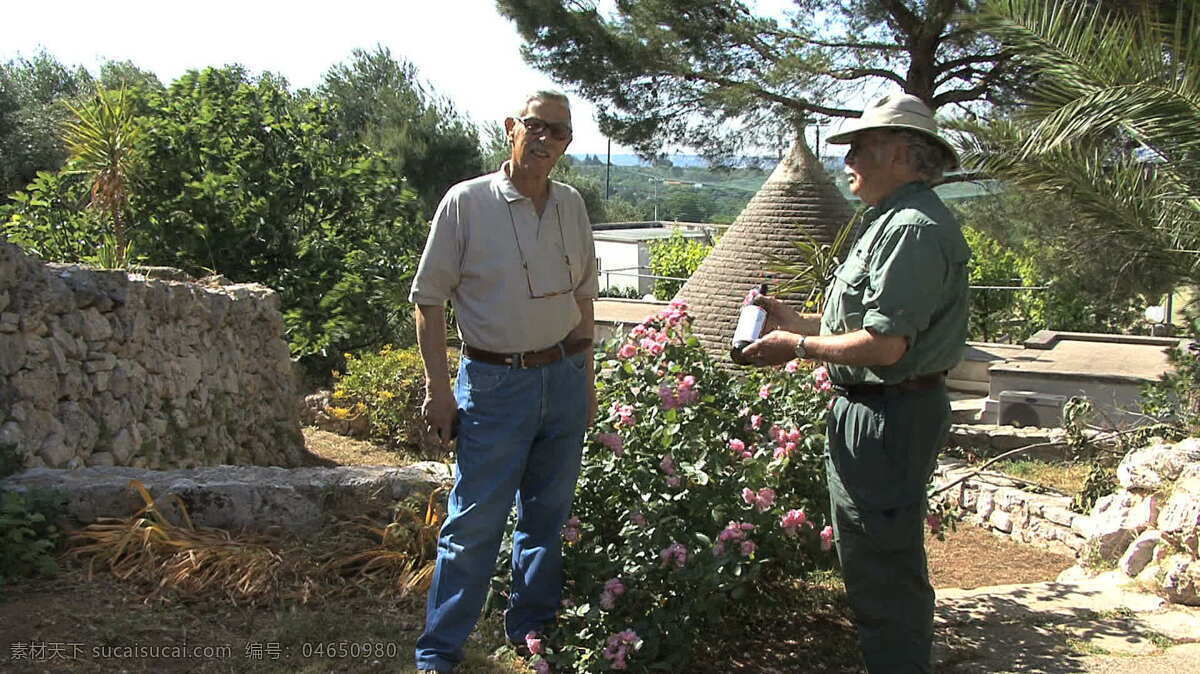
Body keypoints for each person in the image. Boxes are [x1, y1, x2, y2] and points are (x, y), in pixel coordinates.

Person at [743, 93, 970, 673]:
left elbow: (886, 346)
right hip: (873, 411)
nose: (848, 160)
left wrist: (794, 348)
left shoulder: (911, 230)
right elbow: (861, 326)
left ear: (900, 153)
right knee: (870, 561)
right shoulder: (888, 222)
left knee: (885, 566)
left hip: (889, 414)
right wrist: (794, 321)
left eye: (860, 149)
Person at [409, 89, 598, 673]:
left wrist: (586, 381)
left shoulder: (570, 205)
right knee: (475, 524)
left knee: (547, 516)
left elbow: (585, 300)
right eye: (537, 126)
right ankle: (439, 651)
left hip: (563, 378)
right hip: (496, 385)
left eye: (559, 132)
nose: (546, 140)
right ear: (512, 127)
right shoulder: (466, 203)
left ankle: (532, 629)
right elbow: (427, 303)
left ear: (567, 143)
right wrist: (439, 391)